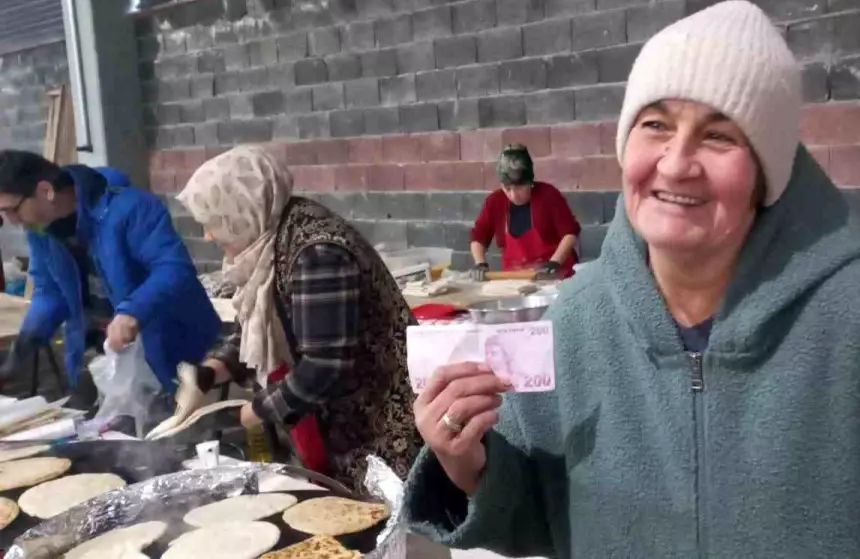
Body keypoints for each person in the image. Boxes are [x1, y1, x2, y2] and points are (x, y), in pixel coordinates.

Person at [403, 1, 860, 557]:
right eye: (655, 124)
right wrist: (468, 464)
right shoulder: (576, 322)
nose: (677, 162)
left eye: (718, 137)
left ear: (767, 173)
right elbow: (537, 511)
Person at [172, 145, 422, 492]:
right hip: (347, 430)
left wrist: (256, 412)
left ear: (244, 209)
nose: (208, 236)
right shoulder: (276, 239)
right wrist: (211, 372)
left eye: (213, 222)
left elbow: (325, 365)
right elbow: (262, 325)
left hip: (381, 428)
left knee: (397, 536)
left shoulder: (316, 253)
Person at [0, 151, 219, 410]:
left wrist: (131, 311)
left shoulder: (131, 208)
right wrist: (26, 342)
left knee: (178, 441)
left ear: (46, 190)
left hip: (170, 350)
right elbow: (50, 292)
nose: (12, 221)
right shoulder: (41, 230)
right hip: (105, 356)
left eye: (11, 210)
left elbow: (173, 269)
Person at [468, 145, 580, 280]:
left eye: (520, 188)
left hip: (555, 276)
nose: (514, 195)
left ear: (530, 182)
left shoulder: (549, 195)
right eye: (507, 188)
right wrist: (480, 264)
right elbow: (478, 237)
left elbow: (569, 233)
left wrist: (554, 263)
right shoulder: (494, 201)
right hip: (514, 279)